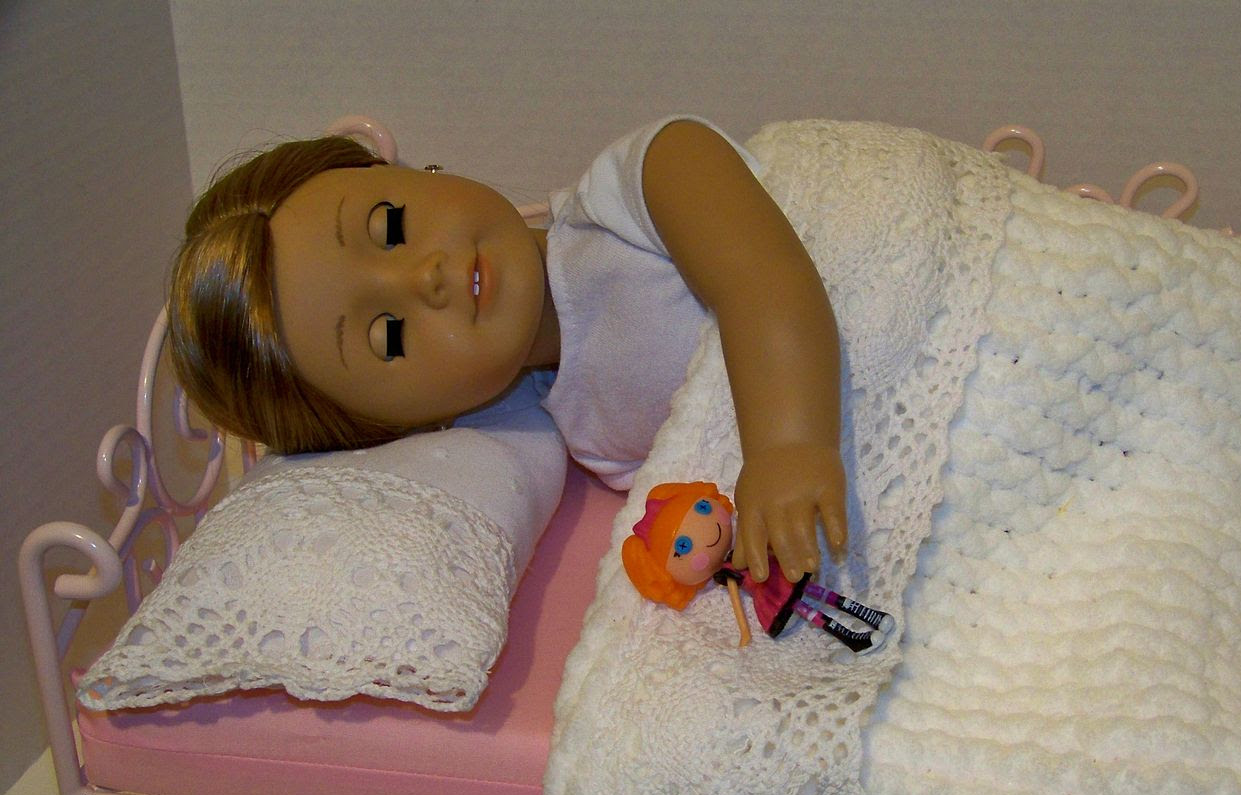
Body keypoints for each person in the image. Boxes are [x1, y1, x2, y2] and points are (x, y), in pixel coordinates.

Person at [167, 116, 845, 586]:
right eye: (388, 335)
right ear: (410, 425)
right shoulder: (593, 440)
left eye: (390, 225)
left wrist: (788, 446)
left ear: (412, 172)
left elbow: (763, 282)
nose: (424, 277)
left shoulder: (640, 187)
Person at [621, 481, 892, 652]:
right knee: (808, 608)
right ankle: (850, 637)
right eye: (684, 546)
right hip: (771, 592)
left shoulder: (745, 533)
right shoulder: (728, 573)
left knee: (821, 593)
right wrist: (743, 632)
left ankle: (870, 615)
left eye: (702, 508)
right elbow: (737, 603)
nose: (709, 532)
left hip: (782, 567)